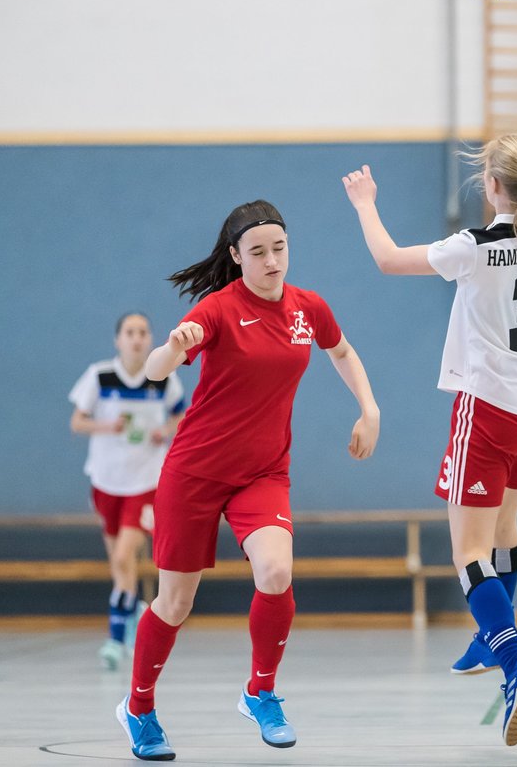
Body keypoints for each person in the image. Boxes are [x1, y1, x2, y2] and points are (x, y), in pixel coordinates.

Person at [342, 134, 517, 746]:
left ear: (492, 185)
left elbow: (388, 260)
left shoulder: (476, 246)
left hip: (490, 409)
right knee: (503, 530)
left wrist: (364, 203)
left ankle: (514, 662)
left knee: (468, 552)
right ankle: (490, 639)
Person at [116, 200, 380, 761]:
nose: (271, 261)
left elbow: (343, 350)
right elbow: (154, 371)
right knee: (175, 602)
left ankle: (260, 691)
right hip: (195, 471)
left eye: (279, 249)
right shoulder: (217, 309)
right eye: (257, 252)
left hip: (262, 471)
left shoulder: (309, 308)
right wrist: (174, 346)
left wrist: (369, 408)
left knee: (277, 570)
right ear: (236, 257)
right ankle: (138, 707)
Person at [70, 312, 186, 670]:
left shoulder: (163, 378)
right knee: (119, 567)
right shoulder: (100, 375)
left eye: (142, 332)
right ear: (118, 340)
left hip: (146, 481)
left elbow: (183, 415)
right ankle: (132, 610)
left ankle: (115, 638)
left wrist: (164, 430)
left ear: (150, 338)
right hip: (107, 480)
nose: (136, 338)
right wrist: (109, 425)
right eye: (129, 333)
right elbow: (77, 422)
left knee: (124, 557)